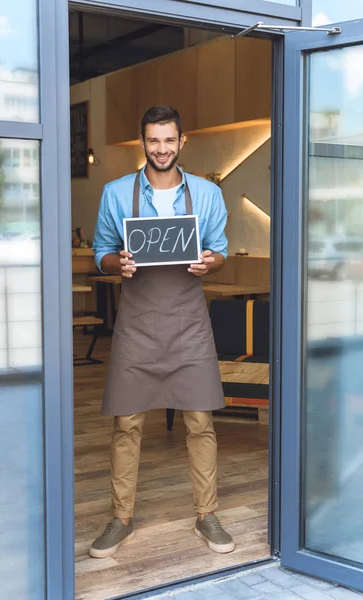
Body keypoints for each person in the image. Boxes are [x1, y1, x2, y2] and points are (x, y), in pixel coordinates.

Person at [89, 105, 234, 559]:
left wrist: (211, 260)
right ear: (143, 142)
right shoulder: (115, 193)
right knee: (126, 424)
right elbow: (101, 252)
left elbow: (220, 251)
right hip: (137, 324)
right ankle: (121, 519)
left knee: (200, 421)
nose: (162, 149)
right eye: (154, 141)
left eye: (169, 140)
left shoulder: (209, 195)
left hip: (189, 322)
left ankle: (206, 515)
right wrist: (119, 262)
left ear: (181, 141)